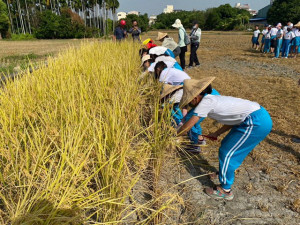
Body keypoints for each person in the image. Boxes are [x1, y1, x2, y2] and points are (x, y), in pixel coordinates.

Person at [177, 78, 272, 200]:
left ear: (195, 97)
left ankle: (225, 190)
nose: (190, 104)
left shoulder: (205, 102)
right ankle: (223, 172)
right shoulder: (211, 98)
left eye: (189, 101)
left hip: (256, 122)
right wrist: (217, 132)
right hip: (251, 118)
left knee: (227, 153)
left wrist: (174, 135)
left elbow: (189, 125)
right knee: (227, 144)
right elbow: (233, 118)